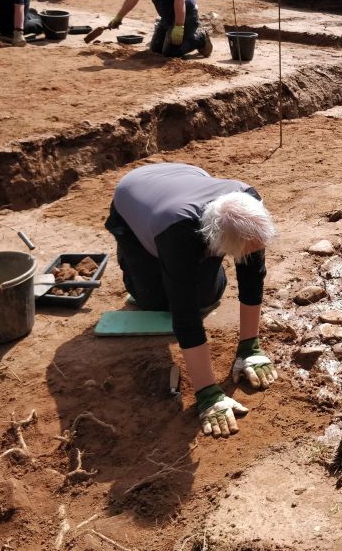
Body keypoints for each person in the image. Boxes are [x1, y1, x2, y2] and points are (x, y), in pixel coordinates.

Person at [104, 162, 278, 437]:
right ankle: (140, 269)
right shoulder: (176, 232)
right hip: (135, 197)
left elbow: (253, 276)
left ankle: (188, 266)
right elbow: (184, 316)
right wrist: (207, 392)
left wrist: (250, 348)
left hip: (186, 178)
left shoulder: (249, 204)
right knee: (158, 300)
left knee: (207, 295)